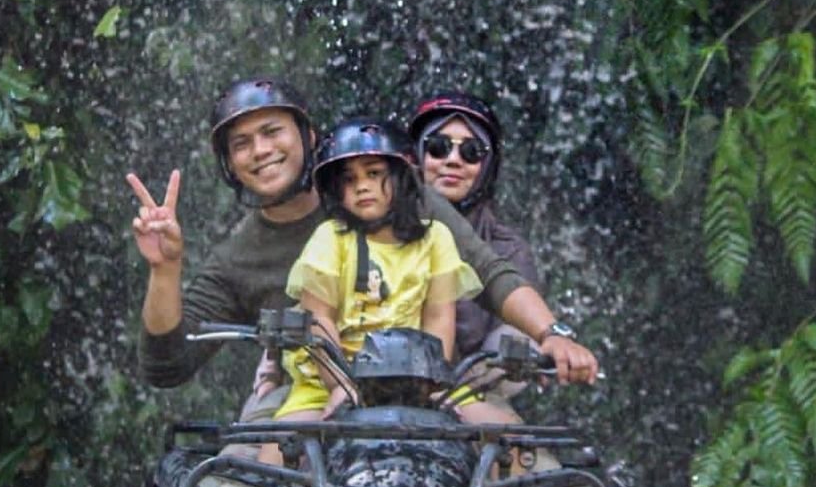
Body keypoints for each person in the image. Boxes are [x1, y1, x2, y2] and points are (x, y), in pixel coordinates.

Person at [128, 77, 596, 416]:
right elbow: (167, 364)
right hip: (310, 396)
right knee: (234, 484)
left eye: (273, 132)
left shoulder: (394, 196)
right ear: (230, 164)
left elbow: (491, 273)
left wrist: (552, 333)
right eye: (242, 143)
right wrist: (165, 270)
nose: (261, 150)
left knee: (536, 483)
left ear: (308, 138)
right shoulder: (239, 257)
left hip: (428, 393)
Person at [271, 115, 483, 425]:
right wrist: (341, 384)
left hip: (415, 379)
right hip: (330, 380)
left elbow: (439, 317)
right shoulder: (330, 238)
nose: (362, 187)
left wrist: (432, 383)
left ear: (402, 177)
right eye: (349, 179)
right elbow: (318, 319)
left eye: (373, 173)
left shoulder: (435, 238)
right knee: (278, 452)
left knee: (504, 438)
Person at [409, 89, 597, 392]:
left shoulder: (508, 248)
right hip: (376, 384)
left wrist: (553, 336)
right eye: (438, 147)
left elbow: (518, 326)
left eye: (471, 152)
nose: (453, 160)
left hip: (470, 395)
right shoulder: (373, 219)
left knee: (517, 341)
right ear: (414, 157)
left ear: (488, 166)